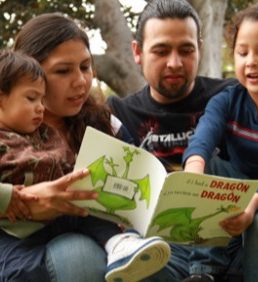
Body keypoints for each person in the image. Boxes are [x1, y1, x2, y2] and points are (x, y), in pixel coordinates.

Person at [0, 14, 170, 282]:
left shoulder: (107, 125)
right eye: (63, 71)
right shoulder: (7, 135)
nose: (80, 81)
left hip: (114, 242)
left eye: (85, 67)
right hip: (26, 251)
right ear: (29, 71)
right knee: (76, 254)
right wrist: (22, 199)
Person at [108, 0, 240, 281]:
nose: (175, 63)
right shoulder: (119, 113)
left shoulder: (232, 96)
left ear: (200, 49)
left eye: (186, 50)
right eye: (161, 50)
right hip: (160, 247)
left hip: (232, 238)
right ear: (137, 52)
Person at [182, 3, 258, 282]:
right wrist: (194, 170)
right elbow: (204, 135)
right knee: (211, 167)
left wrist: (251, 208)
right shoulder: (227, 99)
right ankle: (203, 270)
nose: (251, 61)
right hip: (237, 184)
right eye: (242, 52)